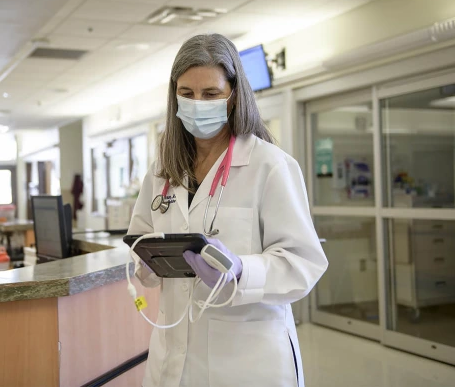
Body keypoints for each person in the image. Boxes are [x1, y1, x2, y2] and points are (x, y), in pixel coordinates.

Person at [128, 34, 328, 387]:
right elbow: (141, 240)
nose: (196, 103)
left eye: (210, 94)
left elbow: (303, 264)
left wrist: (241, 270)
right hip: (173, 359)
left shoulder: (270, 166)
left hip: (248, 361)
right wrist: (145, 262)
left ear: (234, 96)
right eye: (186, 93)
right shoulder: (163, 169)